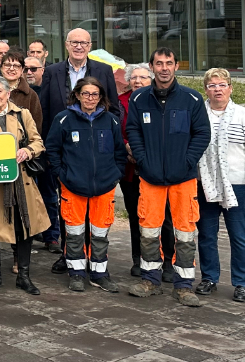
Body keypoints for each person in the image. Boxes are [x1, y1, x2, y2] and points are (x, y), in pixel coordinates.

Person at [125, 48, 211, 307]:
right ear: (151, 66)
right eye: (159, 63)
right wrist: (143, 160)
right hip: (150, 177)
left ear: (176, 67)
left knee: (185, 231)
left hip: (183, 178)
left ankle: (183, 285)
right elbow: (133, 131)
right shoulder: (139, 99)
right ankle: (150, 280)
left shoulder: (192, 100)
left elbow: (202, 135)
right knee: (148, 229)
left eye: (169, 63)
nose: (164, 68)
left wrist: (186, 162)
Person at [38, 29, 121, 262]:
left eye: (83, 43)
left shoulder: (103, 71)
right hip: (65, 151)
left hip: (96, 148)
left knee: (95, 210)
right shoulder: (52, 72)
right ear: (66, 45)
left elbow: (114, 107)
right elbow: (44, 111)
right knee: (69, 207)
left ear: (90, 45)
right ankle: (69, 256)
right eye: (74, 42)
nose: (78, 46)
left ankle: (94, 258)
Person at [45, 77, 127, 294]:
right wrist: (62, 175)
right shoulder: (63, 120)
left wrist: (115, 175)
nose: (90, 98)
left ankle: (100, 274)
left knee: (100, 233)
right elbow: (52, 150)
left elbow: (120, 151)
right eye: (86, 93)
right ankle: (77, 273)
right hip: (72, 186)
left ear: (100, 97)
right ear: (78, 95)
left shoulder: (111, 121)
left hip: (104, 186)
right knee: (74, 232)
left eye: (95, 94)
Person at [0, 76, 50, 295]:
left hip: (20, 181)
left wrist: (28, 151)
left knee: (24, 227)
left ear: (7, 93)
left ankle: (24, 276)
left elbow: (38, 142)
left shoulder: (22, 114)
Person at [195, 68, 245, 303]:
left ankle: (242, 283)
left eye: (222, 85)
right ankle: (209, 278)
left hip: (238, 184)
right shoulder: (198, 113)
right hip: (205, 184)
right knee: (206, 234)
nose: (217, 89)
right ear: (206, 89)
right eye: (212, 85)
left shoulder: (243, 115)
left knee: (240, 235)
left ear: (230, 88)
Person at [120, 64, 174, 279]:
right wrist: (127, 146)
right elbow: (117, 129)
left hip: (158, 169)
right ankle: (139, 258)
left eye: (143, 77)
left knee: (165, 216)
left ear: (151, 79)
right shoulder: (120, 102)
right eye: (134, 77)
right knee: (136, 216)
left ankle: (168, 260)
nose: (138, 81)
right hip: (130, 169)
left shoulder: (159, 99)